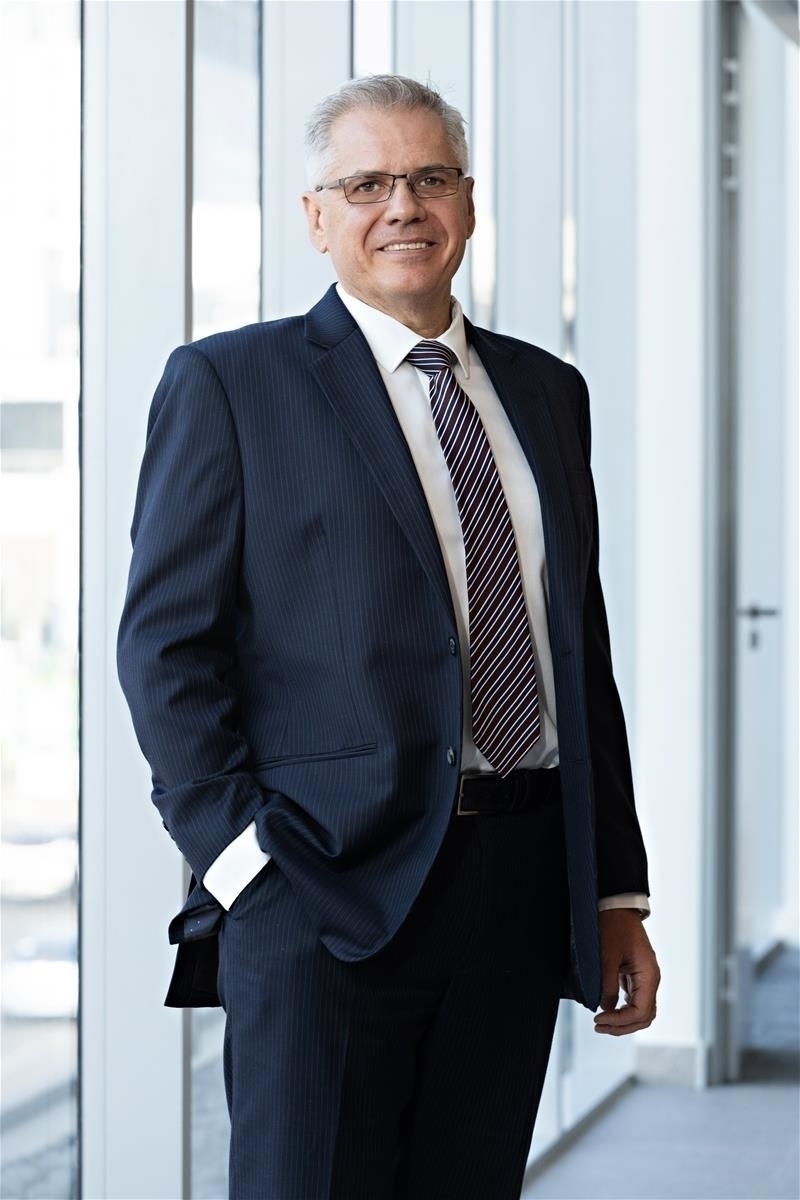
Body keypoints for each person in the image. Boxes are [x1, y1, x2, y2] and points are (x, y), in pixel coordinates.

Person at [118, 74, 659, 1200]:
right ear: (315, 216)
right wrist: (245, 865)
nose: (402, 206)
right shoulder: (231, 383)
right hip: (321, 890)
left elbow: (578, 654)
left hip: (520, 887)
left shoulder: (547, 392)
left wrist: (612, 891)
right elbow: (166, 649)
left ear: (467, 201)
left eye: (428, 178)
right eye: (366, 184)